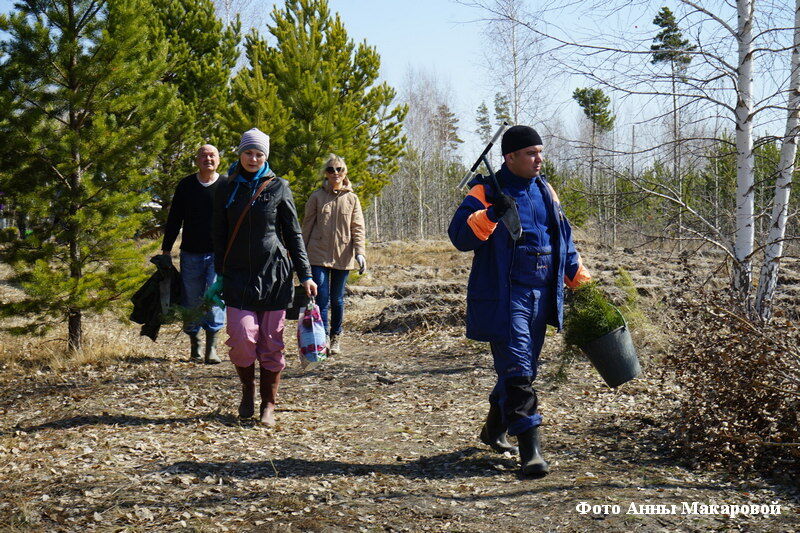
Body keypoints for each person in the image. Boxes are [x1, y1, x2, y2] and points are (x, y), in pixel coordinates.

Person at [448, 125, 591, 477]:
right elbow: (460, 236)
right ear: (509, 157)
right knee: (518, 371)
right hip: (504, 294)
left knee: (524, 367)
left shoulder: (546, 190)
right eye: (531, 153)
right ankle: (531, 453)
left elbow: (563, 241)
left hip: (542, 295)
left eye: (540, 152)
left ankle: (493, 430)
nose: (539, 159)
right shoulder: (485, 191)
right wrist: (492, 214)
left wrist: (582, 283)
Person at [212, 128, 317, 426]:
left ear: (265, 156)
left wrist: (305, 274)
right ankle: (247, 389)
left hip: (275, 276)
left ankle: (268, 403)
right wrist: (219, 272)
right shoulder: (226, 188)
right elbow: (218, 234)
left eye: (259, 154)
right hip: (237, 277)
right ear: (240, 153)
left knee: (271, 342)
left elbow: (294, 234)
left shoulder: (278, 187)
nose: (253, 158)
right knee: (242, 338)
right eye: (248, 152)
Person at [161, 144, 225, 364]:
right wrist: (166, 249)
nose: (208, 159)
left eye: (212, 155)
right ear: (197, 160)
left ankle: (212, 347)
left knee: (214, 297)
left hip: (218, 254)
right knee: (191, 298)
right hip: (190, 253)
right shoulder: (186, 185)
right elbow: (174, 219)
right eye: (204, 156)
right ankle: (194, 344)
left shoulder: (226, 185)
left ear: (219, 160)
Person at [301, 154, 366, 356]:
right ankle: (323, 339)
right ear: (326, 174)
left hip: (343, 256)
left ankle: (336, 336)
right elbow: (307, 226)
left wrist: (360, 253)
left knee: (337, 300)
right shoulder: (316, 197)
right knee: (322, 298)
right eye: (331, 170)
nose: (335, 173)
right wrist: (299, 256)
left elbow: (358, 228)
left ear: (345, 172)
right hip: (317, 254)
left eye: (339, 169)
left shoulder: (352, 199)